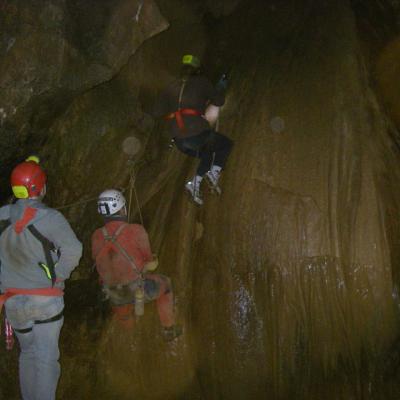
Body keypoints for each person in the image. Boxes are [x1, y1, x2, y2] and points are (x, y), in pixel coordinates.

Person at [0, 160, 83, 400]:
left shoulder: (2, 216)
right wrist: (59, 276)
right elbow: (74, 250)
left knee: (28, 354)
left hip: (14, 303)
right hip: (45, 300)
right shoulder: (51, 218)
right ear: (41, 189)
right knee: (46, 358)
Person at [91, 189, 182, 341]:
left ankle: (131, 338)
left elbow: (99, 262)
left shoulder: (96, 236)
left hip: (113, 293)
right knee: (166, 284)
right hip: (137, 289)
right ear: (122, 209)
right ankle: (168, 329)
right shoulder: (135, 230)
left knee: (124, 315)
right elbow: (148, 261)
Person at [154, 54, 233, 205]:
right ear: (197, 69)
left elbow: (157, 111)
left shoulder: (171, 86)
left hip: (179, 140)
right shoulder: (201, 82)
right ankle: (214, 174)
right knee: (225, 144)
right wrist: (219, 89)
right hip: (195, 133)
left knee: (207, 152)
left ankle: (194, 185)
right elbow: (219, 100)